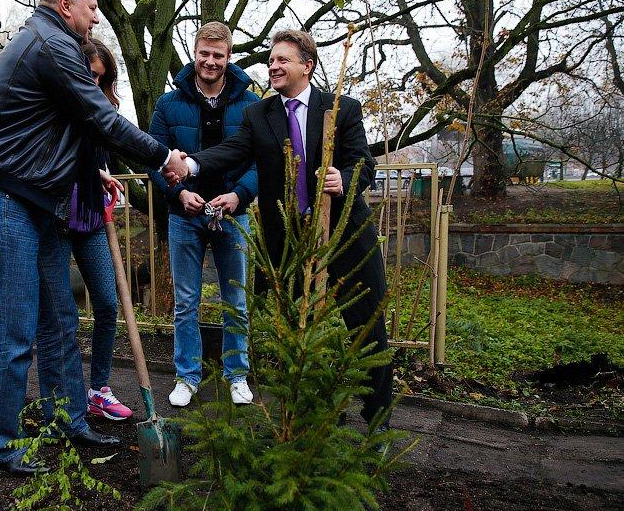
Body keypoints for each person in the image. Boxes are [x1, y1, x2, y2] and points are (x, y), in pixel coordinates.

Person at [0, 0, 188, 475]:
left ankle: (64, 417)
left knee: (60, 319)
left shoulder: (48, 41)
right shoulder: (51, 43)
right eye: (91, 7)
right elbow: (99, 119)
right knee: (16, 326)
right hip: (4, 196)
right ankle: (2, 440)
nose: (95, 16)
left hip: (35, 200)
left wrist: (96, 175)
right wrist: (163, 156)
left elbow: (71, 132)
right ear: (66, 4)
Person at [165, 29, 392, 427]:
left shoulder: (341, 109)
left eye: (282, 60)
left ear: (308, 66)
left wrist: (346, 176)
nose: (273, 65)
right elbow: (233, 151)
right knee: (296, 329)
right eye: (271, 60)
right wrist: (193, 165)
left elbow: (364, 164)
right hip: (289, 242)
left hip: (344, 235)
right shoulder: (261, 113)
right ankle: (304, 414)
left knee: (366, 323)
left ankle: (377, 419)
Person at [147, 22, 259, 407]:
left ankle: (237, 374)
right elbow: (154, 162)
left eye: (219, 55)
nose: (210, 61)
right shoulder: (168, 104)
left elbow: (261, 159)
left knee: (236, 300)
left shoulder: (250, 104)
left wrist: (240, 194)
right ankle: (187, 376)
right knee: (186, 300)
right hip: (185, 216)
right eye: (204, 54)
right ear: (195, 53)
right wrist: (179, 194)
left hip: (233, 213)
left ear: (229, 58)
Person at [68, 39, 132, 421]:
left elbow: (98, 159)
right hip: (57, 220)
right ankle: (66, 394)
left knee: (108, 304)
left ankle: (99, 390)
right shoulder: (58, 103)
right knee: (63, 315)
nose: (93, 82)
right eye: (89, 73)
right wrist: (93, 173)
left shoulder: (102, 113)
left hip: (91, 218)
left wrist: (102, 178)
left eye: (100, 77)